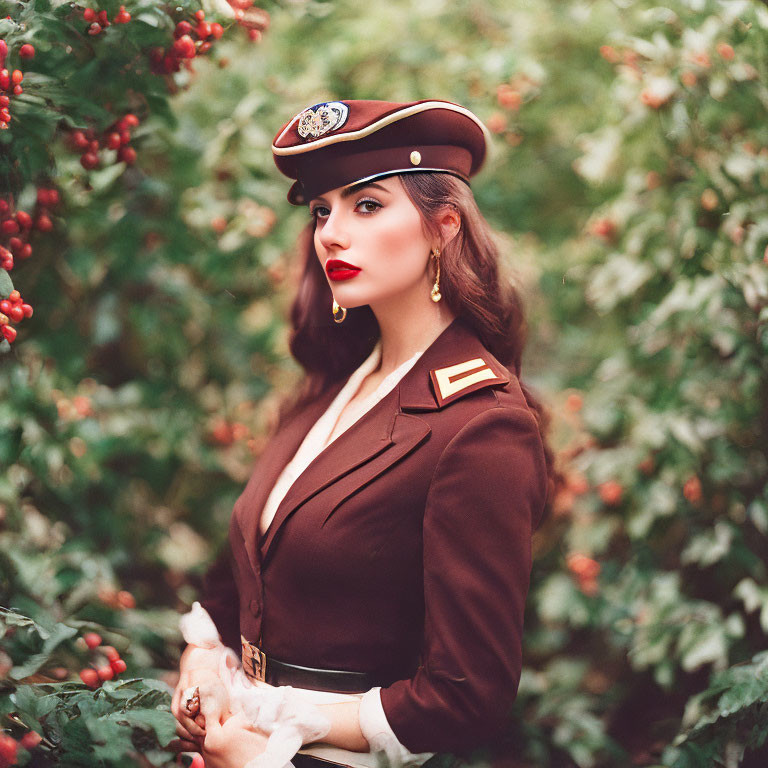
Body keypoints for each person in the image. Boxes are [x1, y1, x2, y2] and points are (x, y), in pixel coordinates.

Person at [170, 98, 557, 768]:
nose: (330, 232)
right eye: (322, 210)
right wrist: (204, 659)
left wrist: (276, 743)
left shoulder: (482, 425)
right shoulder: (333, 387)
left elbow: (468, 696)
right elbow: (253, 562)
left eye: (367, 205)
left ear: (442, 228)